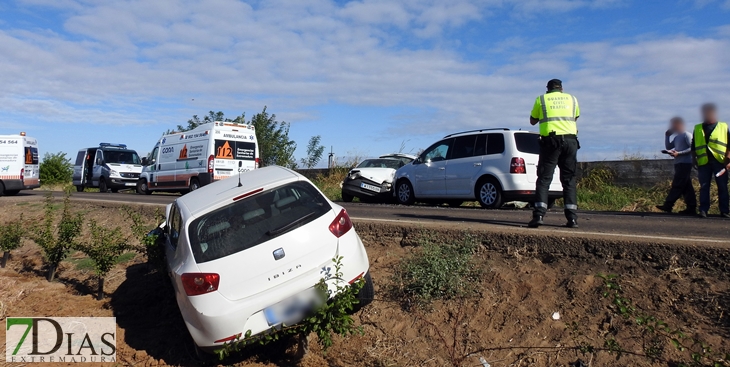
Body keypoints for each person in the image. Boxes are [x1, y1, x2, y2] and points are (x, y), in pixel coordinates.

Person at [528, 79, 580, 228]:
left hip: (550, 142)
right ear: (561, 88)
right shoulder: (572, 99)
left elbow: (532, 121)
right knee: (569, 180)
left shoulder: (542, 99)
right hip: (570, 141)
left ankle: (538, 215)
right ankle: (572, 219)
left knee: (544, 179)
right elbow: (575, 117)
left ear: (548, 89)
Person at [691, 103, 730, 218]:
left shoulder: (723, 126)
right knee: (704, 186)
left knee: (722, 186)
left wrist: (728, 158)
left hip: (720, 162)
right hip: (704, 162)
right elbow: (693, 145)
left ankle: (724, 210)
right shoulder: (697, 128)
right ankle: (703, 210)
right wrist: (694, 159)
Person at [656, 117, 696, 215]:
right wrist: (667, 136)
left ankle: (668, 205)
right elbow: (669, 147)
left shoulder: (687, 135)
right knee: (686, 187)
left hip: (685, 163)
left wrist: (679, 153)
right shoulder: (677, 137)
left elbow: (692, 148)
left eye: (674, 124)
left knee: (677, 184)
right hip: (678, 163)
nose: (672, 127)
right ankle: (691, 208)